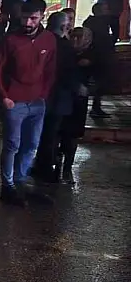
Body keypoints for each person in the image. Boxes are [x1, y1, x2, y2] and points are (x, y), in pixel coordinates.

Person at [0, 0, 57, 206]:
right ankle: (8, 185)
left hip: (37, 102)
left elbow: (50, 69)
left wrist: (44, 94)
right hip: (15, 101)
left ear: (42, 17)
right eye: (25, 18)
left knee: (31, 145)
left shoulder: (48, 40)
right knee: (12, 144)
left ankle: (20, 181)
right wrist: (4, 95)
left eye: (33, 18)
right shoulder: (10, 40)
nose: (28, 23)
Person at [33, 12, 85, 182]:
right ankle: (46, 169)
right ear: (64, 26)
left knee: (41, 132)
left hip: (38, 94)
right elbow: (67, 73)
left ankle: (38, 164)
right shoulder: (64, 47)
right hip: (58, 96)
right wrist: (78, 87)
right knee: (51, 133)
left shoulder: (40, 41)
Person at [57, 27, 94, 184]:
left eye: (80, 37)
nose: (76, 40)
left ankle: (67, 167)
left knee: (72, 135)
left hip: (78, 101)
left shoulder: (91, 57)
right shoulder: (64, 53)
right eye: (74, 37)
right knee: (57, 132)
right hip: (62, 98)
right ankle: (56, 165)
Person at [83, 2, 114, 118]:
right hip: (98, 57)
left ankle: (95, 107)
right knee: (98, 83)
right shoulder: (98, 24)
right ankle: (95, 107)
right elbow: (100, 41)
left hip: (98, 56)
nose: (108, 11)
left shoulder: (93, 22)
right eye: (105, 9)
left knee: (98, 83)